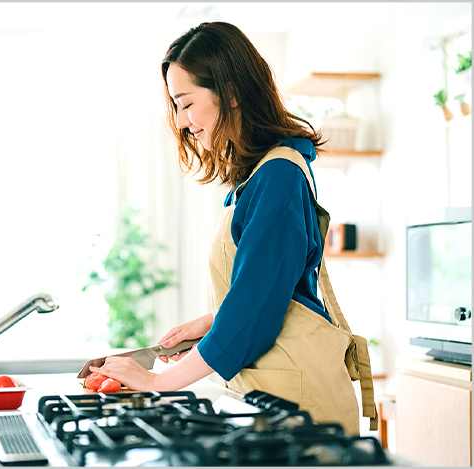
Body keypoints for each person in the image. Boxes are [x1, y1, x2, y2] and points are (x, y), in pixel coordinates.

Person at [90, 21, 377, 435]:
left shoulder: (278, 176)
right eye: (175, 106)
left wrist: (155, 381)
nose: (182, 120)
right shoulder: (263, 175)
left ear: (232, 92)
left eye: (186, 103)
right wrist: (213, 320)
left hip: (301, 411)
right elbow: (274, 291)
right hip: (274, 403)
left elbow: (253, 316)